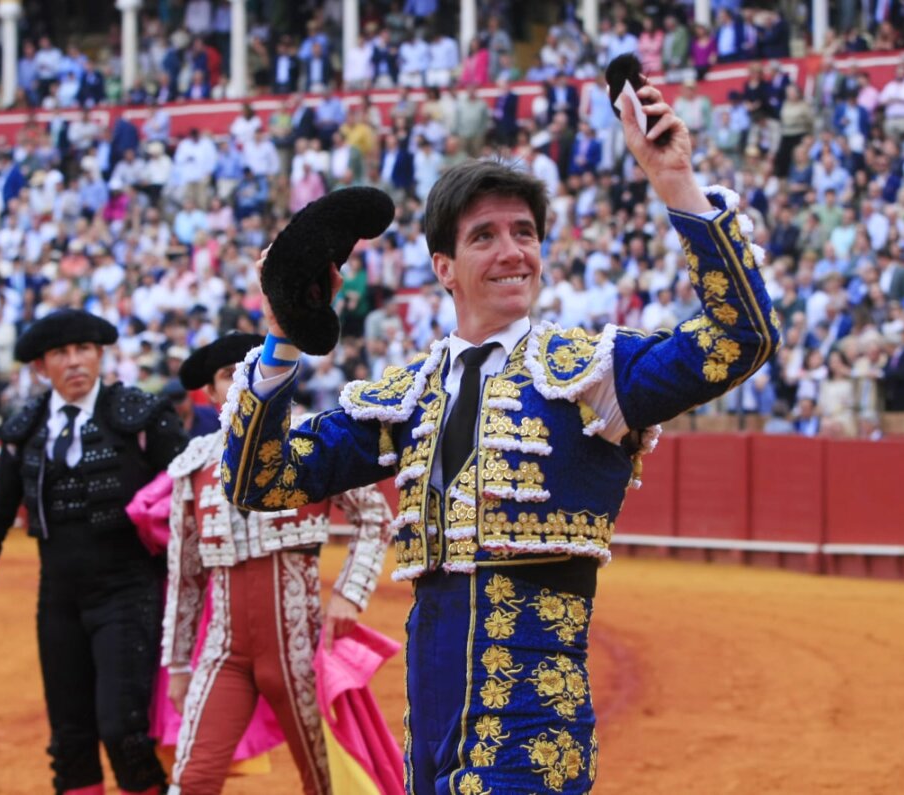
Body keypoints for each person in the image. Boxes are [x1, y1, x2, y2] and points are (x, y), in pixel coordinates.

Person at [221, 83, 779, 793]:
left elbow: (742, 334)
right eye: (484, 236)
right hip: (430, 728)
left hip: (533, 731)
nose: (512, 251)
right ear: (444, 268)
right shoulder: (411, 397)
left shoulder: (590, 376)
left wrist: (674, 180)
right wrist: (281, 339)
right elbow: (260, 479)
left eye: (524, 231)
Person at [0, 309, 187, 795]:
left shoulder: (140, 416)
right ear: (41, 366)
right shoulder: (26, 430)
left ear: (100, 354)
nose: (74, 362)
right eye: (61, 353)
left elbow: (190, 489)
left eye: (83, 350)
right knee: (70, 738)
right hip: (58, 600)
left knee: (124, 730)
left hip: (128, 591)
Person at [160, 334, 396, 795]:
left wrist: (349, 596)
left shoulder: (309, 440)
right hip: (224, 651)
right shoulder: (193, 466)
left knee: (328, 779)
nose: (238, 385)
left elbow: (374, 516)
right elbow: (185, 576)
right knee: (193, 778)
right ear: (209, 393)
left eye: (246, 373)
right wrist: (179, 664)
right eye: (227, 376)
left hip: (301, 648)